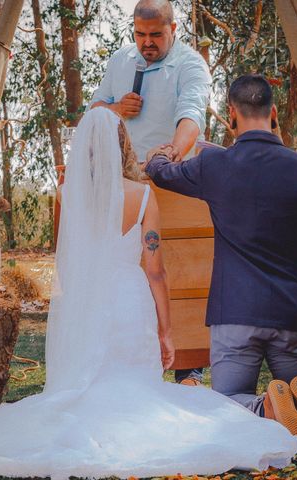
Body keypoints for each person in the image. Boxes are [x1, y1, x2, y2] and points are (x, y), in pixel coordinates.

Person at [0, 108, 297, 479]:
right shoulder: (142, 197)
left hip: (88, 304)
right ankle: (264, 409)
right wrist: (167, 332)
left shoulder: (68, 195)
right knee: (141, 390)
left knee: (85, 392)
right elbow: (155, 271)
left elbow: (69, 264)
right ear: (122, 146)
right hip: (129, 302)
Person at [145, 74, 297, 444]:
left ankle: (260, 407)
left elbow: (161, 174)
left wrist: (161, 154)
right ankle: (292, 401)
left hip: (234, 316)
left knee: (225, 409)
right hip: (291, 316)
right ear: (273, 113)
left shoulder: (214, 166)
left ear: (231, 114)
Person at [91, 0, 211, 385]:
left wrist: (172, 153)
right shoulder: (120, 61)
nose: (147, 43)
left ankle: (189, 367)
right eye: (140, 35)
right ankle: (133, 362)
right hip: (127, 183)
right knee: (134, 272)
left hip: (175, 181)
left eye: (156, 35)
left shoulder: (191, 64)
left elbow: (192, 114)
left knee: (175, 269)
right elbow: (94, 111)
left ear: (173, 29)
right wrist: (114, 106)